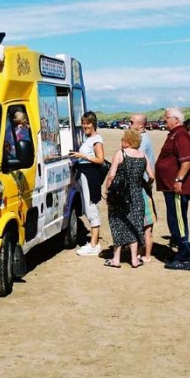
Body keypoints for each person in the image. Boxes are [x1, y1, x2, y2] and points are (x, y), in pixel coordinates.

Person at [104, 129, 155, 269]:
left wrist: (107, 190)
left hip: (120, 195)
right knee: (135, 226)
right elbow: (151, 176)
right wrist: (144, 185)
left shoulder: (121, 154)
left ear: (128, 141)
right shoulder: (143, 155)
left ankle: (116, 259)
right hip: (137, 195)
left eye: (123, 139)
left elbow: (111, 175)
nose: (121, 141)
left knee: (117, 224)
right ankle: (134, 259)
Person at [155, 107, 190, 270]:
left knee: (178, 221)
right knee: (173, 220)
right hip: (170, 187)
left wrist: (178, 180)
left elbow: (186, 161)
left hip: (177, 188)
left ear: (176, 119)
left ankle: (184, 257)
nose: (165, 120)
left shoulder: (181, 134)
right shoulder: (174, 134)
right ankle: (179, 252)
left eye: (167, 117)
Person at [71, 111, 105, 256]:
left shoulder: (96, 139)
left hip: (91, 176)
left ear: (93, 124)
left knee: (91, 208)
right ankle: (94, 242)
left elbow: (100, 159)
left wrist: (83, 156)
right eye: (83, 123)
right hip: (85, 174)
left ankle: (93, 244)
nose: (85, 126)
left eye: (87, 123)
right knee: (88, 207)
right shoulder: (88, 139)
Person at [129, 113, 156, 262]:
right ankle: (140, 252)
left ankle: (143, 254)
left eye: (132, 122)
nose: (129, 124)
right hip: (144, 184)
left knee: (143, 223)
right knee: (143, 223)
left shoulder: (142, 141)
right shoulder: (144, 139)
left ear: (141, 125)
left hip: (141, 186)